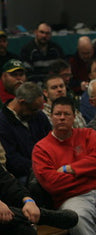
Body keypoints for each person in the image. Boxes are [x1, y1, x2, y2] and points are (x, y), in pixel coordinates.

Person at [32, 96, 96, 235]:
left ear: (74, 117)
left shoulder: (88, 134)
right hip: (72, 197)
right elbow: (52, 184)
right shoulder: (41, 148)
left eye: (66, 114)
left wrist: (71, 169)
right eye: (58, 114)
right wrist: (90, 176)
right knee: (79, 218)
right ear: (51, 117)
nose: (62, 118)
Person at [0, 156, 78, 235]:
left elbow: (9, 184)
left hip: (0, 216)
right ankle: (42, 216)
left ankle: (31, 216)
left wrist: (28, 201)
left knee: (24, 230)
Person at [0, 82, 51, 181]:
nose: (36, 112)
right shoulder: (1, 123)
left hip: (46, 165)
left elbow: (50, 140)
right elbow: (11, 159)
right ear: (22, 102)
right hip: (22, 173)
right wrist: (38, 167)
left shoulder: (38, 115)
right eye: (33, 109)